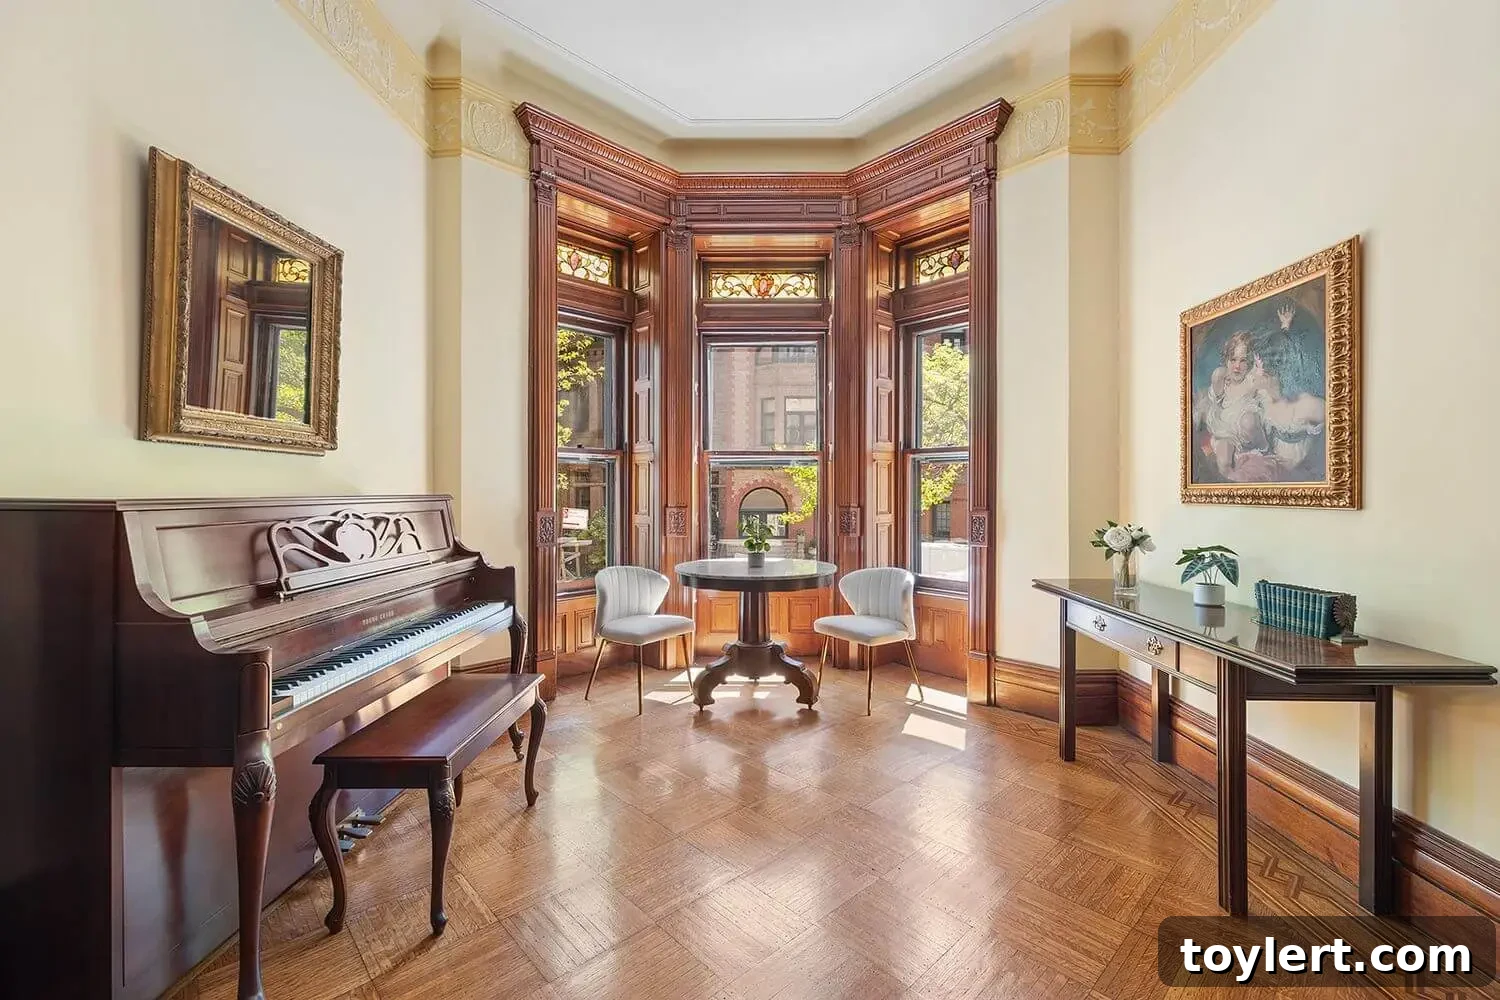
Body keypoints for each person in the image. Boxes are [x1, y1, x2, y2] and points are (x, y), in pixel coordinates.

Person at [1195, 303, 1325, 482]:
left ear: (1249, 362)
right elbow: (1215, 402)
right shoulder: (1221, 376)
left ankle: (1263, 450)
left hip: (1246, 431)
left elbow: (1274, 353)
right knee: (1223, 463)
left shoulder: (1252, 377)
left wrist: (1285, 327)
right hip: (1225, 427)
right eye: (1233, 360)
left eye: (1243, 360)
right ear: (1226, 359)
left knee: (1249, 421)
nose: (1237, 366)